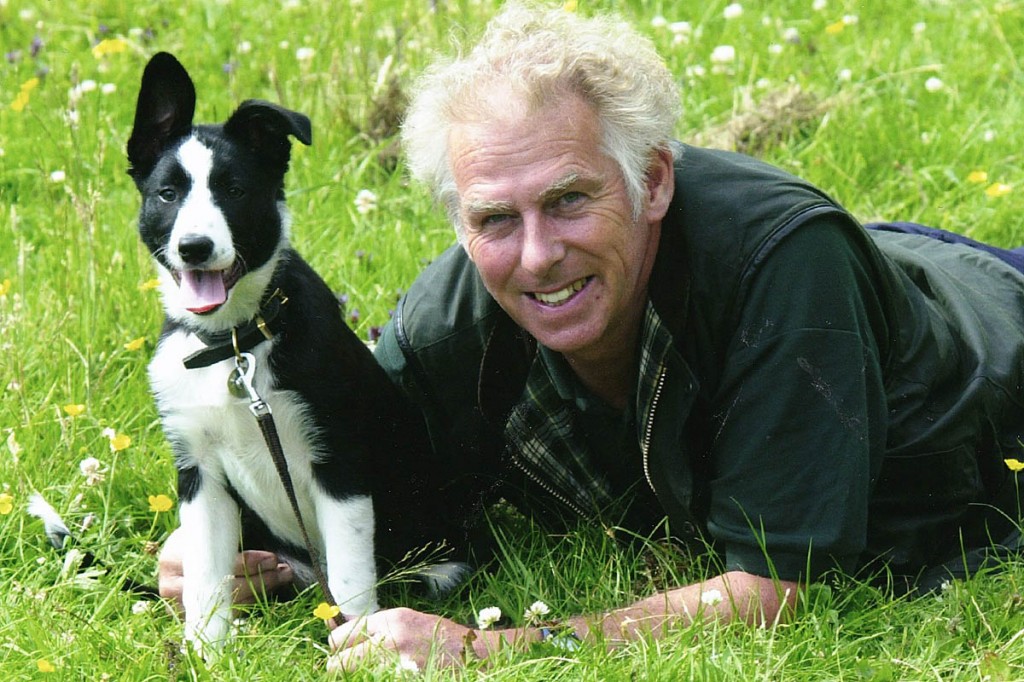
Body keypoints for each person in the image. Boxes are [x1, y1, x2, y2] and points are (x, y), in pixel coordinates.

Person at [158, 2, 1024, 670]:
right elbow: (359, 462)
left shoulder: (784, 271)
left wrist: (490, 650)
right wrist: (241, 546)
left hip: (993, 321)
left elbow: (779, 588)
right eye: (496, 217)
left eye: (570, 199)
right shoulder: (448, 323)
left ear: (651, 181)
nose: (536, 255)